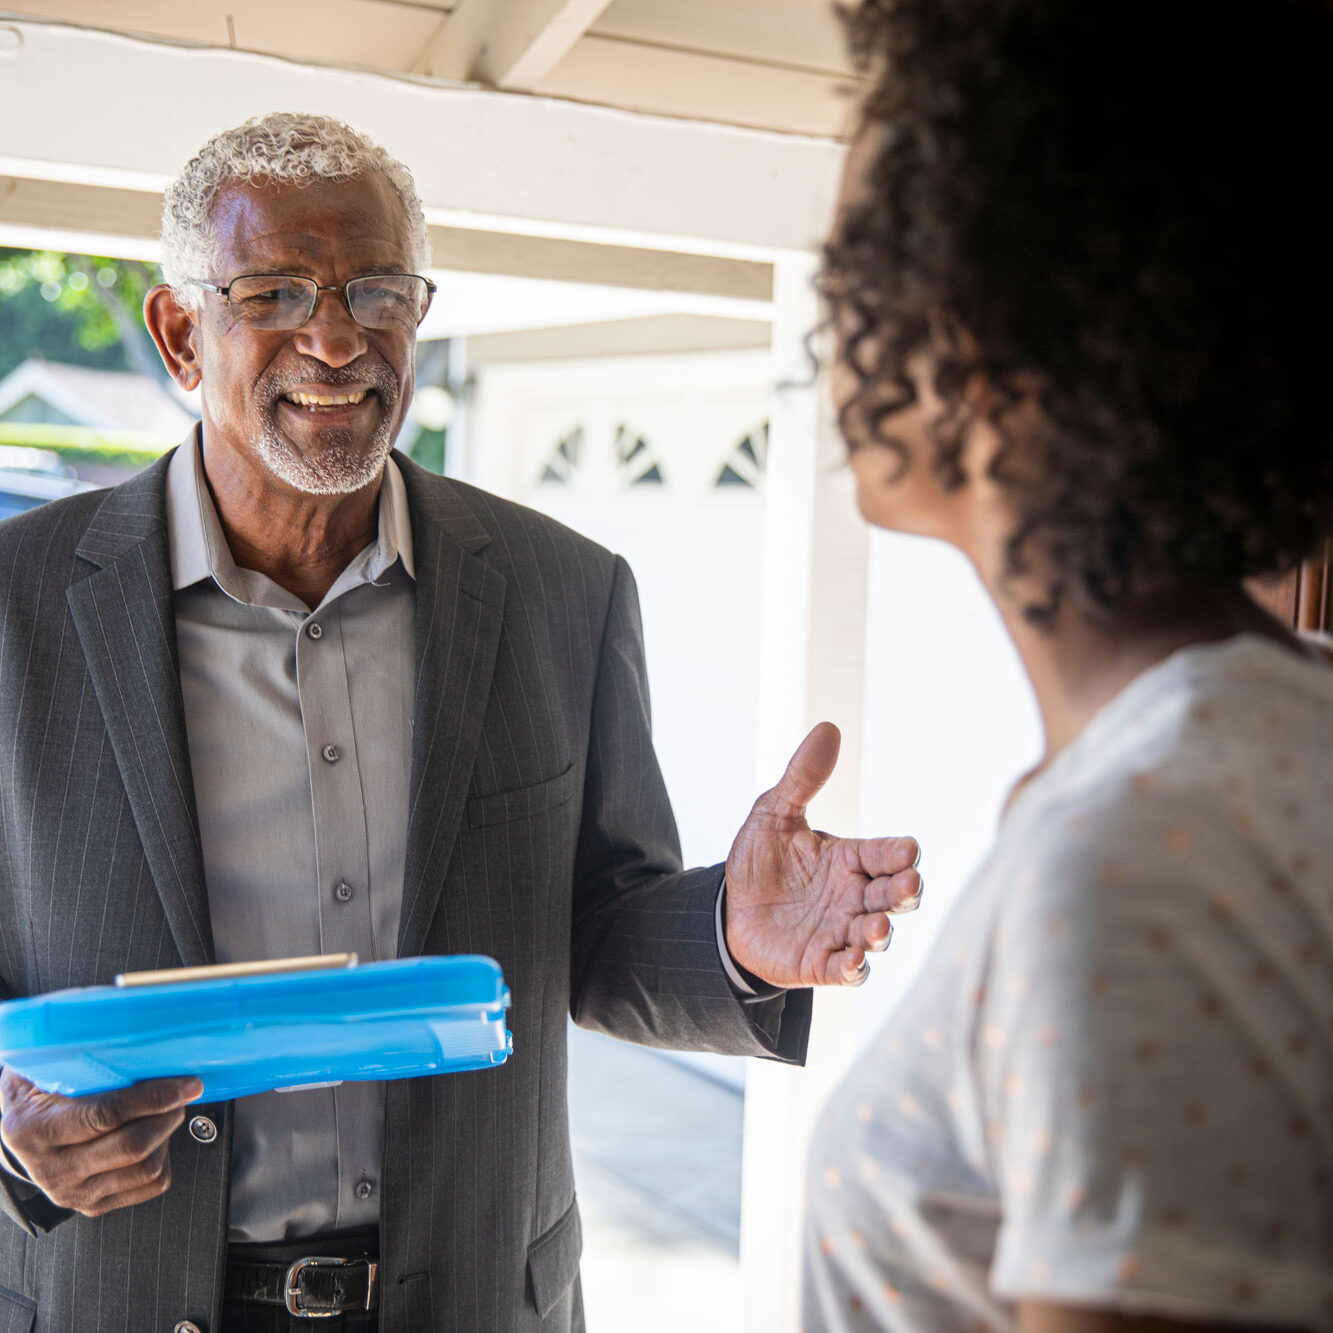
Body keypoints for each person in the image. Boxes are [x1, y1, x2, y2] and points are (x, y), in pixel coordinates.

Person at [0, 114, 924, 1332]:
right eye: (273, 292)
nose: (334, 339)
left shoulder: (561, 591)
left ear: (416, 315)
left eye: (375, 289)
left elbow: (591, 932)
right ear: (181, 334)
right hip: (114, 1298)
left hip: (476, 1296)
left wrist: (733, 935)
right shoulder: (18, 606)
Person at [802, 2, 1333, 1331]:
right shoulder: (1270, 722)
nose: (832, 306)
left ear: (983, 334)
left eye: (861, 256)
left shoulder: (1141, 853)